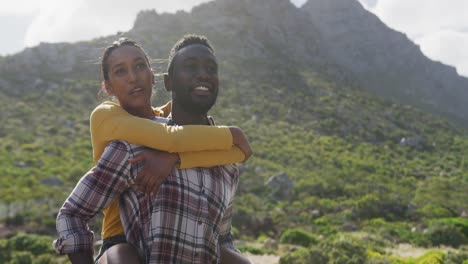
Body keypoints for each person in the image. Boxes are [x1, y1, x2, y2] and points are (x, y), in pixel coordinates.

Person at [55, 35, 251, 263]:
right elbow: (168, 137)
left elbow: (222, 236)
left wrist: (175, 158)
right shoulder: (123, 135)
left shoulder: (223, 163)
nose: (133, 78)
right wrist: (234, 135)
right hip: (119, 241)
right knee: (121, 255)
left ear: (153, 76)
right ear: (108, 87)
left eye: (140, 67)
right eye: (120, 71)